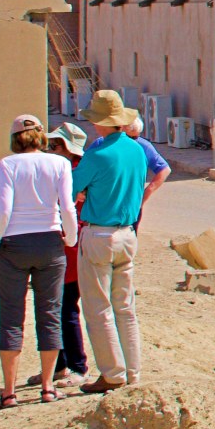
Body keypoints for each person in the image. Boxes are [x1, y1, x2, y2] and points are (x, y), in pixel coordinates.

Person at [0, 114, 77, 406]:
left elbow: (4, 208)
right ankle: (48, 385)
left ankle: (8, 391)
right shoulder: (59, 163)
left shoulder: (7, 164)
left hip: (14, 243)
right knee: (49, 313)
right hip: (49, 241)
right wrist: (70, 238)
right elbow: (67, 206)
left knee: (11, 315)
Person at [74, 91, 149, 394]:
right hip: (128, 233)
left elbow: (74, 187)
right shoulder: (137, 150)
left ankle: (112, 372)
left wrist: (85, 194)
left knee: (98, 307)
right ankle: (132, 370)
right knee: (125, 305)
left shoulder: (97, 152)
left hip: (100, 232)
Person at [44, 122, 90, 386]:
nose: (51, 150)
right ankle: (59, 365)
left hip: (70, 248)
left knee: (65, 307)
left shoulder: (74, 174)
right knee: (54, 309)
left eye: (56, 145)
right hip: (61, 246)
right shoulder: (65, 172)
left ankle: (76, 365)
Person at [123, 119, 170, 227]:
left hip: (132, 205)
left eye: (135, 137)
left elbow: (164, 169)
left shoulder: (143, 145)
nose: (133, 141)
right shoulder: (103, 143)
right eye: (129, 137)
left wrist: (145, 194)